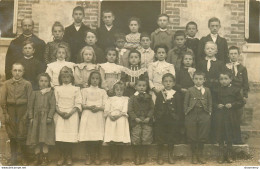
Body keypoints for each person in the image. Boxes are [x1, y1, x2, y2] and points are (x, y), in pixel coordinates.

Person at [0, 63, 33, 165]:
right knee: (12, 135)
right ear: (11, 71)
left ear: (23, 72)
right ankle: (14, 158)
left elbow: (30, 100)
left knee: (22, 134)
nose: (17, 73)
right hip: (10, 111)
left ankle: (24, 158)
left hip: (22, 110)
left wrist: (27, 113)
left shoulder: (27, 84)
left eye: (20, 71)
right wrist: (5, 113)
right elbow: (2, 100)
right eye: (15, 70)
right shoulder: (6, 84)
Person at [197, 41, 225, 143]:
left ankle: (215, 137)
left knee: (214, 113)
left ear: (216, 51)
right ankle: (204, 137)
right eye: (208, 48)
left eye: (212, 49)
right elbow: (198, 76)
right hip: (203, 91)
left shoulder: (220, 63)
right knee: (204, 112)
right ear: (204, 50)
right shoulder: (200, 62)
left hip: (215, 92)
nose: (210, 50)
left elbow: (221, 77)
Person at [54, 66, 82, 166]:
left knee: (69, 137)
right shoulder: (57, 89)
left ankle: (69, 155)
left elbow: (78, 103)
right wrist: (60, 113)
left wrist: (70, 113)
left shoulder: (76, 89)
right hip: (59, 114)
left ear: (71, 78)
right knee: (60, 136)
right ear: (60, 78)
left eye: (68, 77)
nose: (66, 79)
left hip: (72, 114)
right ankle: (61, 155)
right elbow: (55, 103)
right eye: (63, 77)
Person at [78, 71, 108, 165]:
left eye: (97, 79)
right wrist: (88, 107)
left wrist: (99, 108)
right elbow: (81, 104)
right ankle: (88, 155)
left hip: (98, 115)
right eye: (93, 78)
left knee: (97, 137)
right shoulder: (84, 90)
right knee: (89, 137)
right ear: (90, 79)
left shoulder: (102, 91)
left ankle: (97, 155)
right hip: (88, 114)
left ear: (100, 80)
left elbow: (106, 105)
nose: (95, 80)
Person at [26, 73, 55, 165]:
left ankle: (45, 157)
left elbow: (53, 106)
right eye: (41, 81)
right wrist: (31, 117)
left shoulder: (51, 93)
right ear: (38, 82)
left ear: (49, 82)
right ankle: (37, 157)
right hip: (36, 119)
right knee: (36, 138)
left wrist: (50, 116)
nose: (43, 83)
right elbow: (30, 106)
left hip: (46, 119)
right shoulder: (34, 93)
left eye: (46, 81)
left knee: (45, 138)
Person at [215, 71, 244, 164]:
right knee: (220, 134)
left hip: (231, 116)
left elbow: (241, 102)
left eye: (226, 78)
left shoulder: (235, 90)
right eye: (221, 79)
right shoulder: (217, 90)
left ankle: (229, 154)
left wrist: (232, 104)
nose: (223, 81)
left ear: (230, 79)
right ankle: (221, 154)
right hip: (220, 116)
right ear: (219, 80)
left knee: (229, 135)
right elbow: (212, 101)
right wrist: (217, 105)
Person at [184, 71, 212, 164]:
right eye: (196, 79)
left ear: (204, 80)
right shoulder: (190, 90)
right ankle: (194, 154)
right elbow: (185, 103)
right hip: (191, 114)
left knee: (202, 134)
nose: (198, 81)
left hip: (203, 114)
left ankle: (200, 154)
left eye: (200, 79)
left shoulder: (207, 90)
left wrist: (209, 113)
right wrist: (186, 113)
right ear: (193, 80)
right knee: (192, 134)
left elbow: (210, 102)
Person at [154, 73, 182, 165]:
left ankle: (170, 154)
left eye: (170, 81)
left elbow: (179, 107)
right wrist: (158, 116)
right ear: (162, 83)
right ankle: (160, 155)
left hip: (172, 119)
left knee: (171, 137)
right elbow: (157, 106)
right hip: (162, 119)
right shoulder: (160, 94)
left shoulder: (176, 94)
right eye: (166, 81)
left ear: (174, 83)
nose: (168, 83)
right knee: (160, 137)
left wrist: (177, 118)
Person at [226, 46, 249, 144]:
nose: (233, 55)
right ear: (228, 55)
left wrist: (245, 95)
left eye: (235, 53)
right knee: (228, 117)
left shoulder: (242, 68)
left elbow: (245, 83)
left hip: (238, 95)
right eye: (231, 53)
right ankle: (228, 138)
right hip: (228, 94)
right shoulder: (225, 66)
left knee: (238, 116)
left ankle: (237, 139)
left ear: (238, 55)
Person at [128, 78, 154, 165]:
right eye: (139, 85)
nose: (142, 87)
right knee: (136, 137)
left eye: (144, 86)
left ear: (146, 87)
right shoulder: (132, 98)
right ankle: (137, 156)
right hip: (136, 121)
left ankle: (143, 155)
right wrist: (135, 118)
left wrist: (148, 117)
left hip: (146, 121)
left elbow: (152, 108)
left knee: (146, 137)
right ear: (135, 87)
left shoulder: (149, 97)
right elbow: (130, 110)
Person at [104, 81, 131, 165]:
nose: (119, 92)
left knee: (120, 138)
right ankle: (113, 156)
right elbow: (107, 109)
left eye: (121, 90)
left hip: (121, 118)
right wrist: (110, 115)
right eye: (117, 90)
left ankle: (119, 157)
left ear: (123, 91)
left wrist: (119, 116)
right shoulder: (110, 99)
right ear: (114, 90)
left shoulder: (125, 99)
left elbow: (124, 110)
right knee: (112, 138)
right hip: (111, 119)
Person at [176, 51, 196, 141]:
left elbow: (198, 82)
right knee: (181, 114)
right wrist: (181, 89)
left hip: (192, 96)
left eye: (190, 59)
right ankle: (181, 135)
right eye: (186, 59)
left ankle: (190, 136)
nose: (188, 61)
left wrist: (191, 90)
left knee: (190, 114)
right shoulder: (179, 71)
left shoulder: (195, 71)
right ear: (183, 61)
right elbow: (175, 83)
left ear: (192, 61)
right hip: (181, 95)